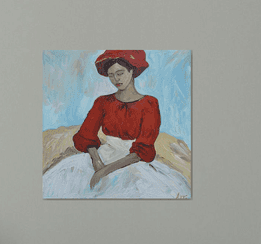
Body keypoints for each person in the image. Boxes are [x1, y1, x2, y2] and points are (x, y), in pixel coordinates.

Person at [42, 50, 191, 199]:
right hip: (103, 155)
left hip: (132, 159)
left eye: (120, 73)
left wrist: (105, 171)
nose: (115, 79)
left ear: (131, 71)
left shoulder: (149, 103)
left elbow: (143, 148)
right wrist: (97, 162)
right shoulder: (102, 102)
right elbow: (86, 134)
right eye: (111, 75)